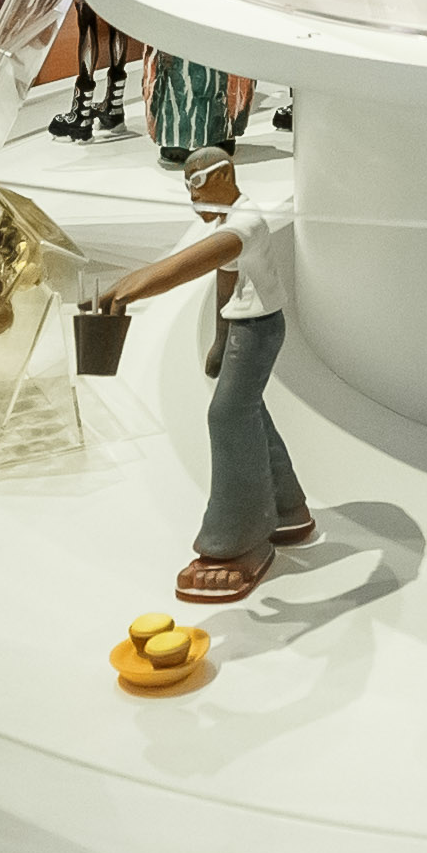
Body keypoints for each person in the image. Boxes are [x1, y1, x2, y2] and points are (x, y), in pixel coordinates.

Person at [88, 143, 314, 605]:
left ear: (225, 175)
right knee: (245, 411)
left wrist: (132, 288)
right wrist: (218, 337)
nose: (193, 197)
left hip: (259, 330)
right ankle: (286, 507)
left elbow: (191, 264)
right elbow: (226, 279)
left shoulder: (245, 223)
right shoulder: (231, 222)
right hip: (246, 327)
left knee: (227, 416)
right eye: (187, 187)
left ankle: (238, 540)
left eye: (197, 184)